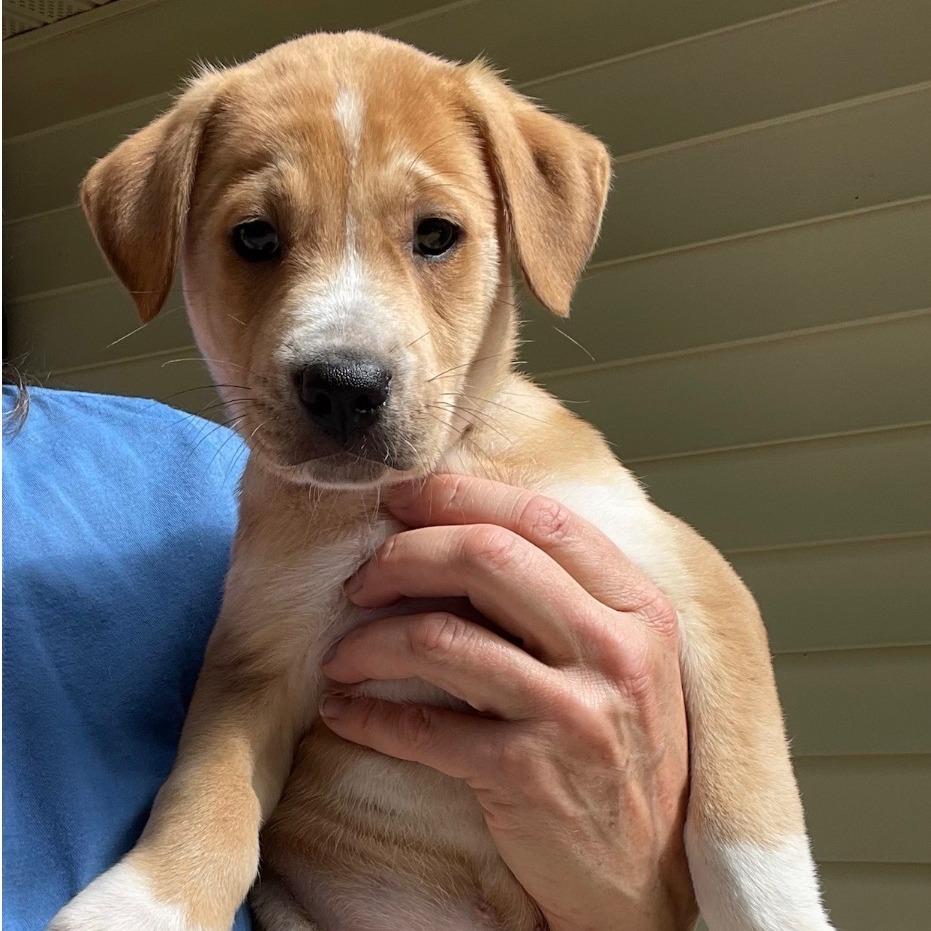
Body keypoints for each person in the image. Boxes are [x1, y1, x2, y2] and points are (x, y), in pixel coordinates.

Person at [3, 385, 696, 930]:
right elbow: (249, 688)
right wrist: (180, 881)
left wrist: (624, 898)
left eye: (432, 236)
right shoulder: (233, 468)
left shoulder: (175, 464)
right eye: (255, 242)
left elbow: (692, 617)